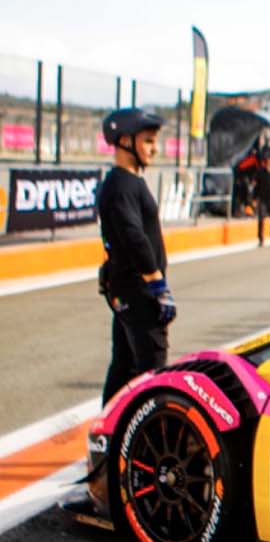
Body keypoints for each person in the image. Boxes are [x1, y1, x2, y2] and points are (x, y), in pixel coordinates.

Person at [98, 108, 174, 405]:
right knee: (152, 370)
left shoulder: (127, 183)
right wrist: (156, 283)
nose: (155, 148)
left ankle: (108, 440)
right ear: (125, 141)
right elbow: (132, 235)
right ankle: (147, 439)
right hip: (138, 290)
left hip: (128, 287)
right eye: (148, 141)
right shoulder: (121, 184)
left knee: (124, 368)